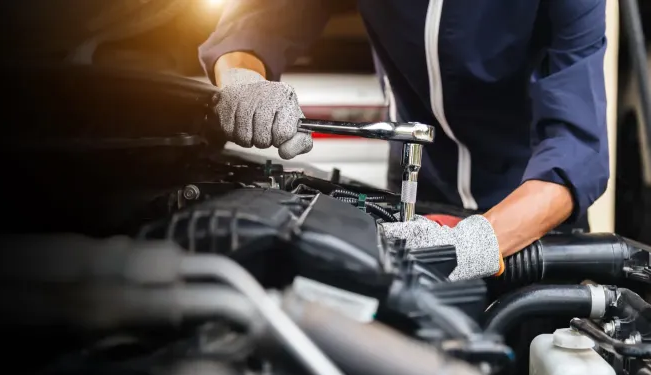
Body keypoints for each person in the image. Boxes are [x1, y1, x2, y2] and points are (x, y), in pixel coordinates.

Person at [200, 0, 610, 280]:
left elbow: (578, 149)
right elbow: (262, 17)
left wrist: (472, 243)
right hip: (418, 199)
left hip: (530, 219)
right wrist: (242, 78)